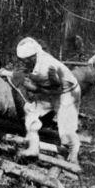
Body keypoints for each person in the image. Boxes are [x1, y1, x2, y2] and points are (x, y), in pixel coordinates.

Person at [15, 37, 81, 165]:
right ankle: (33, 148)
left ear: (32, 57)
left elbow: (49, 90)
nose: (23, 63)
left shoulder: (44, 67)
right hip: (53, 89)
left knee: (66, 129)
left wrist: (29, 85)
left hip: (68, 92)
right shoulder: (38, 58)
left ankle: (73, 157)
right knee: (30, 110)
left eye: (24, 61)